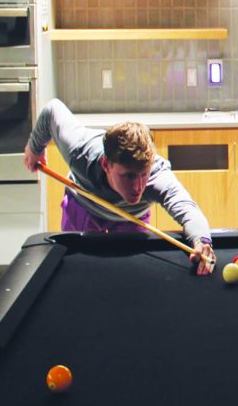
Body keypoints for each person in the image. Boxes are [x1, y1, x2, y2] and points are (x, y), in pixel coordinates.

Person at [23, 99, 217, 275]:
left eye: (143, 174)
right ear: (106, 164)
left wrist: (202, 240)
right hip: (83, 209)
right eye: (129, 176)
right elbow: (52, 110)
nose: (138, 186)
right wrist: (35, 148)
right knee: (77, 272)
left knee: (129, 274)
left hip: (131, 219)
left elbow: (187, 208)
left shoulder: (157, 177)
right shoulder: (80, 151)